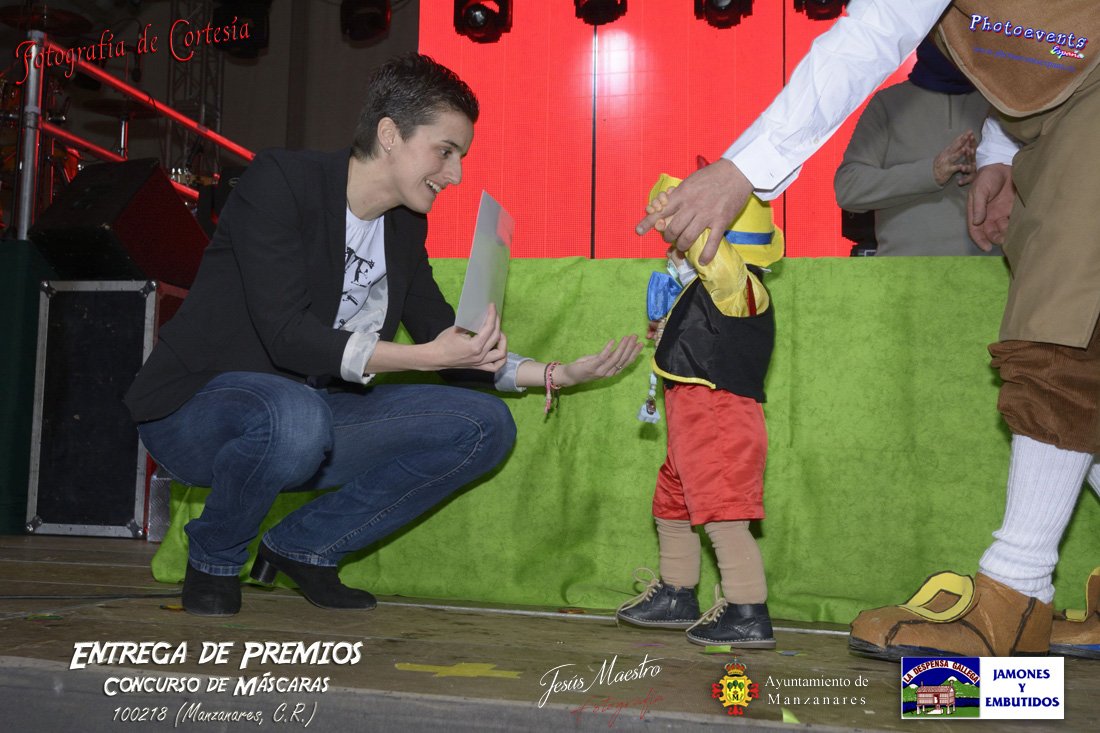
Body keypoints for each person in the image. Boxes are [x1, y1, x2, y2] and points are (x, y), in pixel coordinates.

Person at [636, 1, 1100, 659]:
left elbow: (876, 30)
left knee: (1058, 329)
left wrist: (741, 170)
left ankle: (1015, 595)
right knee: (1083, 338)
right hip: (1057, 114)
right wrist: (1001, 152)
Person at [126, 53, 642, 617]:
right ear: (390, 134)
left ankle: (303, 546)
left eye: (461, 157)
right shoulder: (282, 181)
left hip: (309, 415)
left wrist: (554, 373)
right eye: (445, 151)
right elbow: (287, 335)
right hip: (196, 409)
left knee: (484, 426)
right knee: (295, 414)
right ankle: (216, 558)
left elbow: (445, 337)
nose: (455, 175)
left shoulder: (404, 226)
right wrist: (425, 357)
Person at [617, 174, 783, 648]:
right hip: (691, 416)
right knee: (672, 503)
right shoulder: (709, 292)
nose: (673, 250)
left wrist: (678, 210)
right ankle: (677, 594)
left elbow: (713, 258)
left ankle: (747, 610)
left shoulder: (738, 285)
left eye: (682, 240)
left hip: (719, 415)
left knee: (723, 510)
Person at [834, 37, 995, 256]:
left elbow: (1037, 187)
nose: (952, 44)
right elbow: (848, 188)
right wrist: (931, 173)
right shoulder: (888, 103)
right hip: (904, 271)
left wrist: (991, 171)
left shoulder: (1004, 105)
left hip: (992, 269)